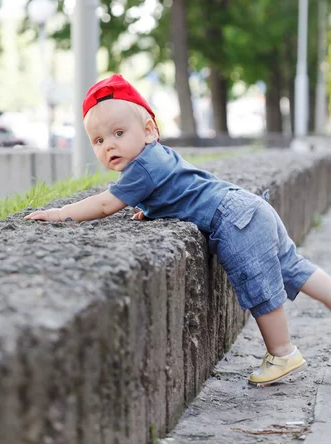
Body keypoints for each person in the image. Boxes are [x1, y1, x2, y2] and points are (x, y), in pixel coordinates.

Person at [25, 74, 331, 386]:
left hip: (233, 221)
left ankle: (282, 352)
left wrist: (61, 213)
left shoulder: (142, 166)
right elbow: (176, 190)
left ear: (148, 131)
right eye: (99, 141)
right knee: (291, 266)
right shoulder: (157, 157)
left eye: (118, 133)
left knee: (257, 286)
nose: (110, 145)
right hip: (248, 207)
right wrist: (151, 207)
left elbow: (106, 205)